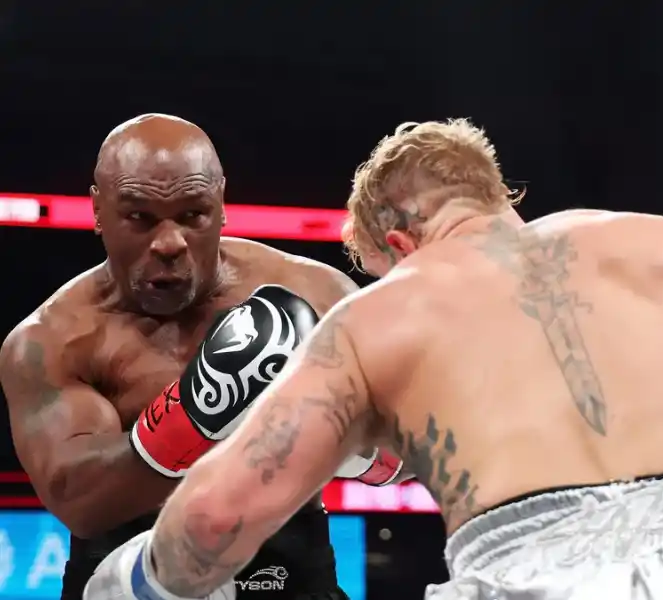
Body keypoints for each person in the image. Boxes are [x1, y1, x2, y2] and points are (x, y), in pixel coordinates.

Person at [84, 118, 663, 600]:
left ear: (396, 246)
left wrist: (134, 579)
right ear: (501, 196)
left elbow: (219, 520)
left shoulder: (382, 314)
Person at [0, 114, 405, 600]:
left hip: (290, 576)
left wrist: (352, 447)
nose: (169, 243)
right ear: (98, 211)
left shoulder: (315, 294)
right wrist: (201, 410)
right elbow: (79, 499)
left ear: (221, 204)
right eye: (139, 217)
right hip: (124, 579)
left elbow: (410, 451)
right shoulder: (52, 340)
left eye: (194, 215)